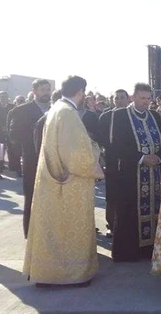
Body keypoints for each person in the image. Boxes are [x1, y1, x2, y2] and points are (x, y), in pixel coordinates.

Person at [23, 76, 104, 286]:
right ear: (80, 92)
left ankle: (49, 272)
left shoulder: (57, 108)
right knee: (66, 233)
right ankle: (70, 274)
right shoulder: (68, 114)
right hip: (69, 186)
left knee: (54, 232)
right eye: (84, 92)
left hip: (54, 181)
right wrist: (95, 149)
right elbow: (79, 156)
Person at [110, 83, 161, 262]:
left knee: (156, 210)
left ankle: (152, 248)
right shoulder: (120, 115)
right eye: (142, 98)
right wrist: (142, 158)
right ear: (133, 97)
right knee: (130, 211)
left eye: (149, 98)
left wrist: (158, 156)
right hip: (131, 174)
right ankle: (130, 251)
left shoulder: (154, 115)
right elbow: (116, 145)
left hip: (155, 174)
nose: (146, 102)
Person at [8, 79, 52, 237]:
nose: (46, 92)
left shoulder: (56, 109)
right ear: (35, 92)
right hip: (31, 160)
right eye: (42, 89)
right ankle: (30, 233)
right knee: (32, 196)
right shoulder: (21, 110)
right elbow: (13, 136)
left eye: (48, 89)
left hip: (52, 161)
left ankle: (48, 233)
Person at [98, 89, 130, 237]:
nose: (119, 100)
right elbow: (101, 139)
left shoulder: (132, 115)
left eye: (122, 98)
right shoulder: (105, 117)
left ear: (128, 99)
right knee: (111, 195)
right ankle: (111, 224)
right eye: (116, 98)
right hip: (111, 161)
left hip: (129, 161)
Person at [6, 95, 25, 177]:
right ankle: (18, 170)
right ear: (15, 102)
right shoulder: (12, 111)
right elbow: (8, 124)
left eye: (22, 100)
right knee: (16, 155)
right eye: (19, 100)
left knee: (25, 154)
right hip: (16, 137)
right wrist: (10, 136)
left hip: (25, 136)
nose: (20, 102)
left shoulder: (27, 111)